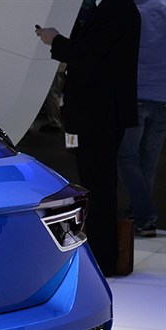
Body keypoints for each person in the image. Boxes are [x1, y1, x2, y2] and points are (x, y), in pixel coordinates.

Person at [36, 0, 141, 276]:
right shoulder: (115, 9)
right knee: (97, 182)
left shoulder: (114, 9)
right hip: (100, 113)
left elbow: (87, 55)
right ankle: (100, 253)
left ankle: (103, 257)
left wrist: (55, 39)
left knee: (98, 184)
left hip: (100, 114)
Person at [117, 0, 166, 238]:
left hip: (134, 93)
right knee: (148, 161)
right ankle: (137, 213)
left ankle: (144, 216)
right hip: (163, 97)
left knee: (126, 158)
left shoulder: (129, 10)